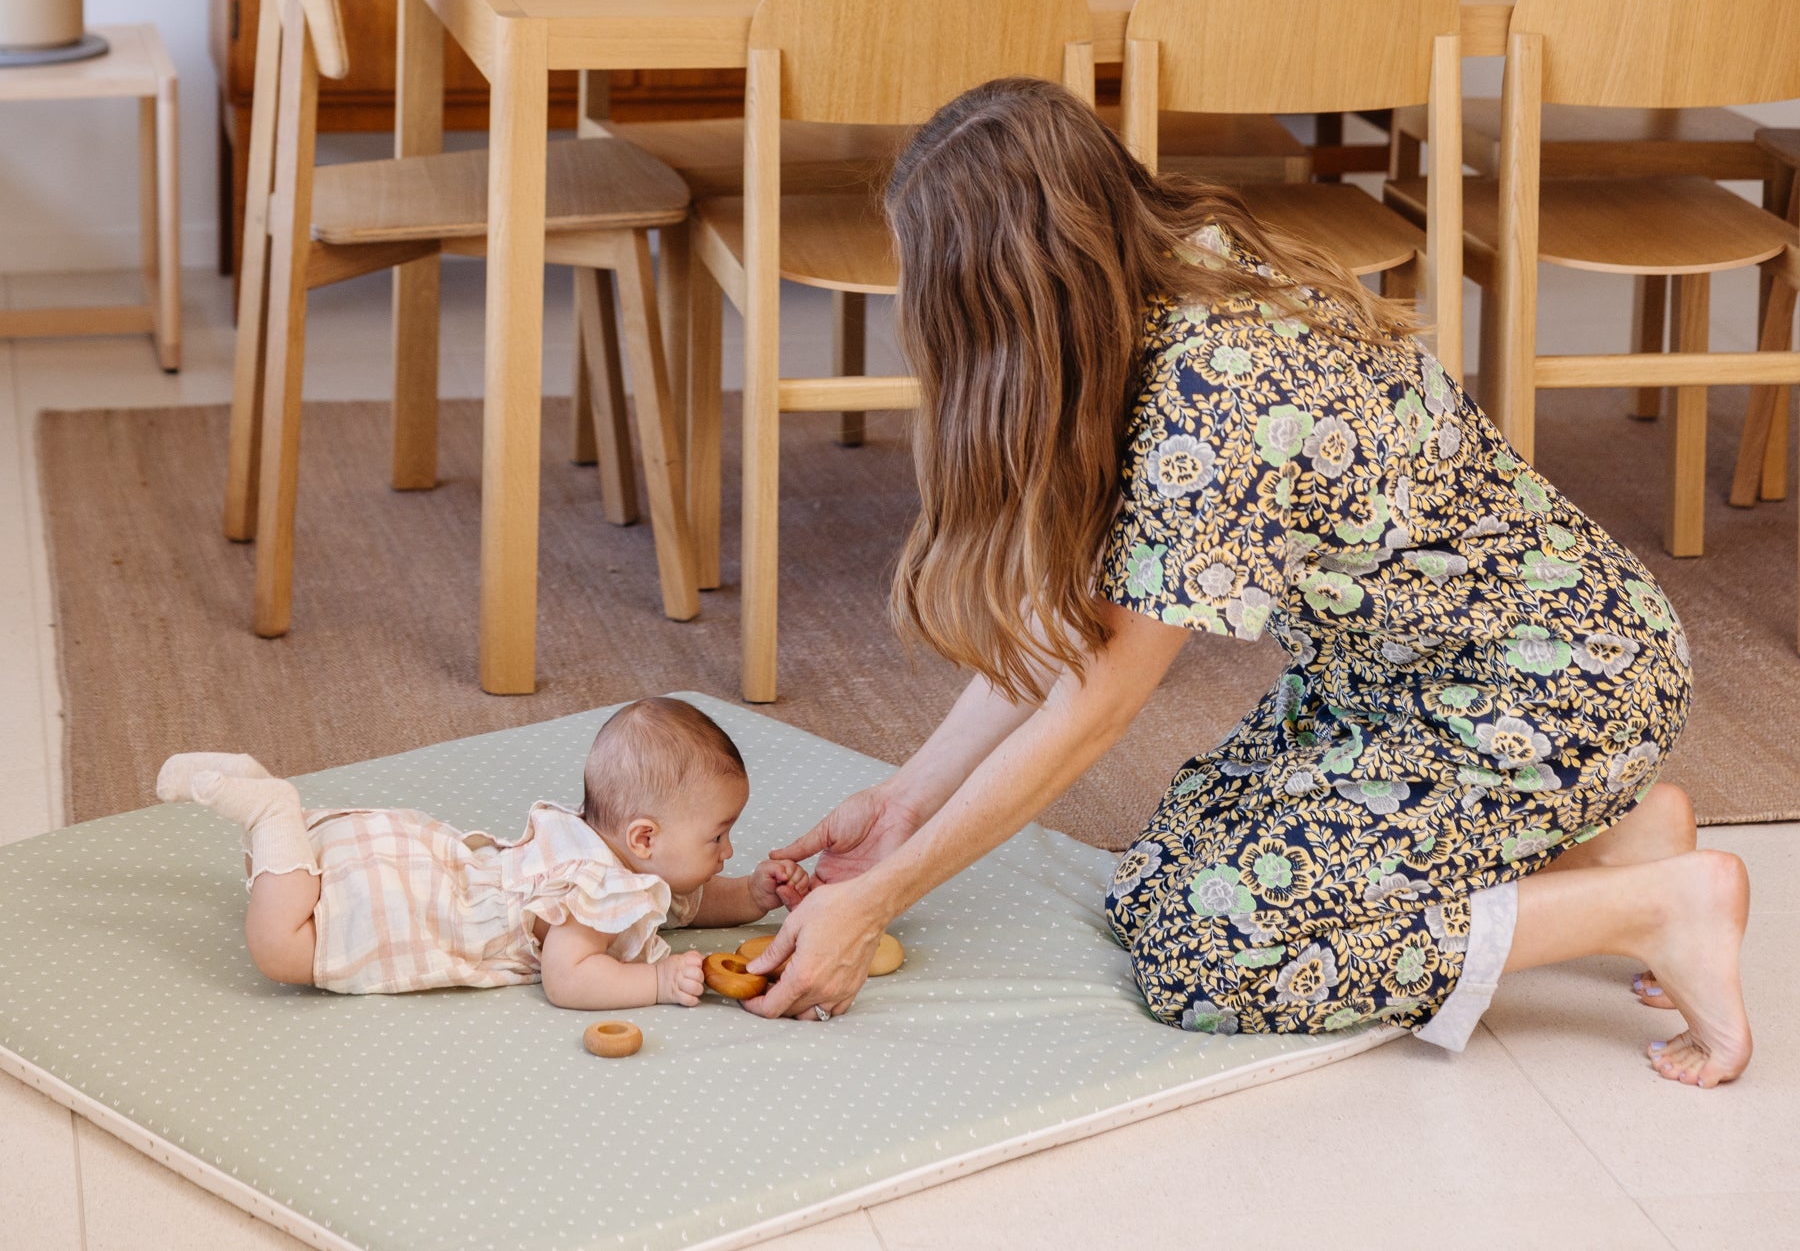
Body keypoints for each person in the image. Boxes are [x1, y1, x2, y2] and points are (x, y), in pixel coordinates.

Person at [743, 79, 1750, 1088]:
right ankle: (1620, 839)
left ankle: (1662, 906)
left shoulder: (1212, 399)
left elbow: (1097, 704)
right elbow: (1081, 627)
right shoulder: (1172, 273)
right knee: (1156, 883)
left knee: (1210, 953)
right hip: (1413, 678)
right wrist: (905, 803)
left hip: (1545, 690)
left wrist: (875, 900)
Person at [158, 696, 810, 1006]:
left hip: (422, 861)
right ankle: (272, 813)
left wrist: (754, 895)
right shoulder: (599, 891)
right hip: (405, 911)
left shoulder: (608, 853)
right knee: (282, 947)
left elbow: (689, 905)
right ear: (645, 838)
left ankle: (273, 809)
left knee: (298, 889)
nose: (729, 849)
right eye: (718, 836)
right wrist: (657, 981)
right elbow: (569, 976)